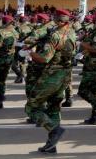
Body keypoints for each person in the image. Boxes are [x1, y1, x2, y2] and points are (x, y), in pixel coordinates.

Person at [23, 10, 75, 154]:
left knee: (31, 107)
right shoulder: (71, 33)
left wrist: (29, 53)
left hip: (52, 76)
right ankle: (52, 144)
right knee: (53, 108)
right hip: (65, 75)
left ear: (58, 20)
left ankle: (55, 130)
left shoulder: (55, 35)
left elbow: (44, 58)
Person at [0, 15, 18, 108]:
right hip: (9, 60)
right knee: (2, 81)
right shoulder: (15, 32)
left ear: (4, 22)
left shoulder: (0, 33)